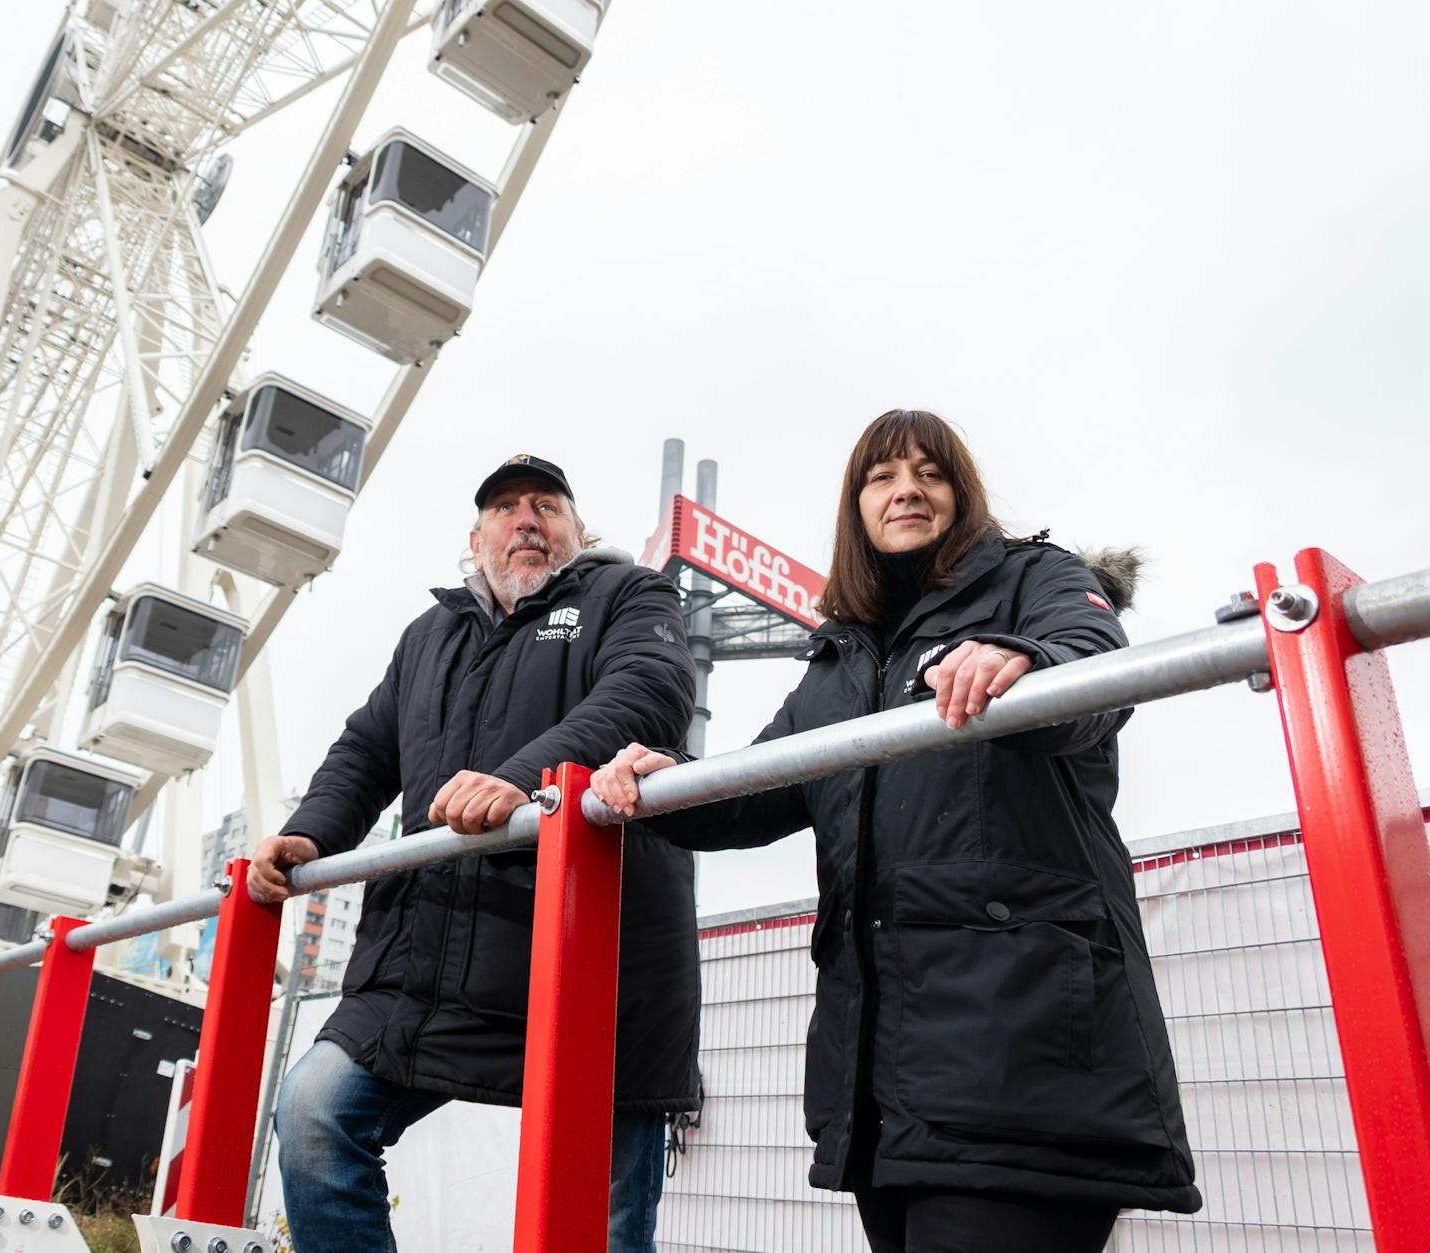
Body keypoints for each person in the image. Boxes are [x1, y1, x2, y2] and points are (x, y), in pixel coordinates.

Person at [591, 411, 1202, 1253]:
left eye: (928, 472)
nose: (905, 488)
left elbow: (1095, 668)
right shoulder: (842, 659)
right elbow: (757, 790)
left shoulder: (1038, 579)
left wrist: (1023, 660)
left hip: (1024, 1059)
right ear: (857, 506)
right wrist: (663, 781)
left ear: (962, 494)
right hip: (885, 1082)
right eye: (881, 476)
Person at [250, 455, 702, 1253]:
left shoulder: (629, 594)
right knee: (315, 1116)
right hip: (427, 967)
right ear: (476, 537)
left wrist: (522, 781)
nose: (525, 520)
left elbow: (648, 691)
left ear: (577, 529)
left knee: (603, 1231)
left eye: (545, 506)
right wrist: (311, 833)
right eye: (504, 509)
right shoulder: (430, 636)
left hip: (595, 961)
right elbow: (366, 748)